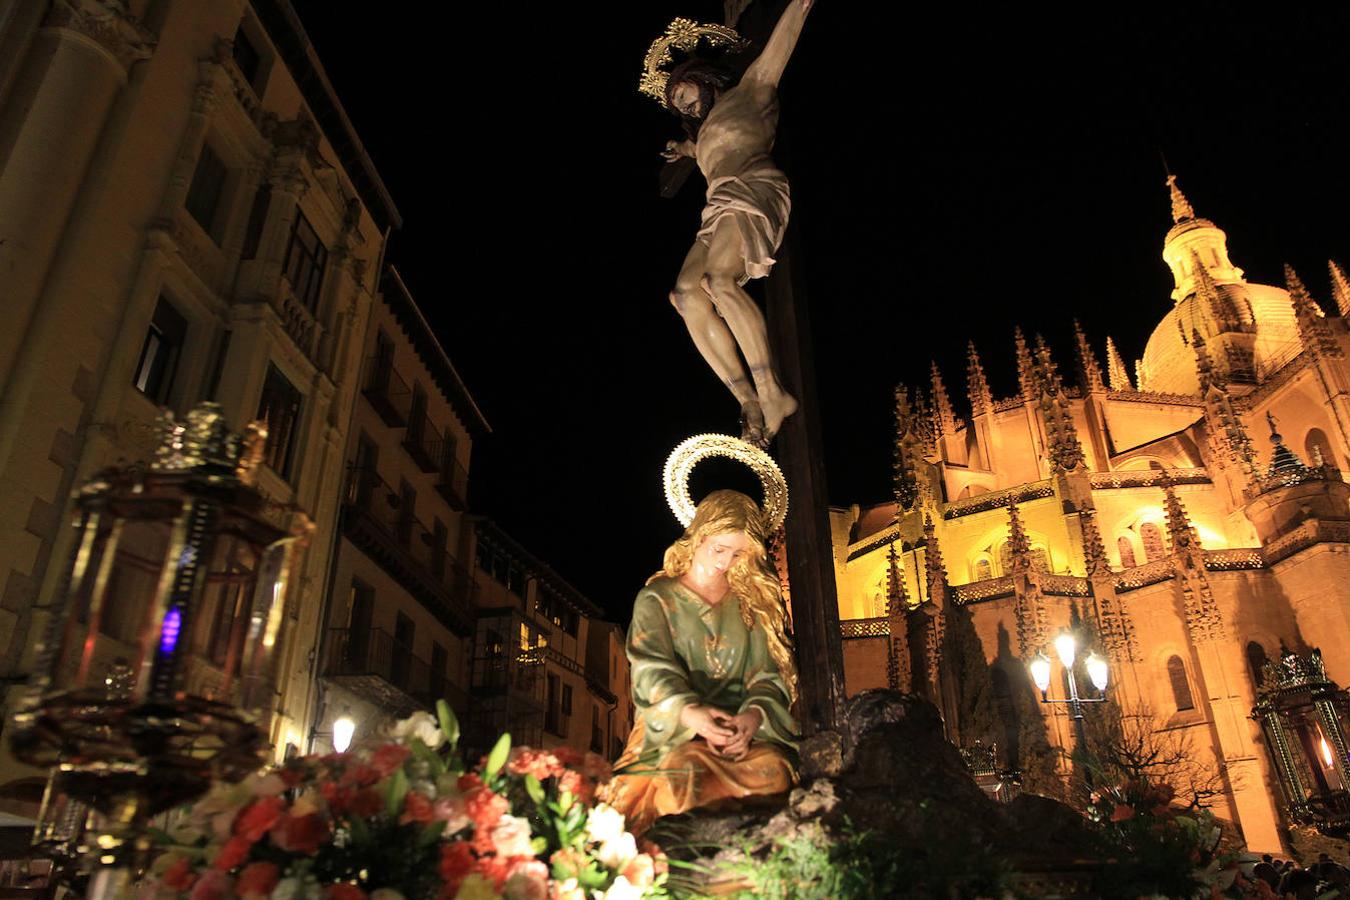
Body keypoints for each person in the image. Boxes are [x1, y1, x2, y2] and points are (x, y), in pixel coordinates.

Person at [657, 0, 813, 446]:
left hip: (753, 187)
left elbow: (786, 35)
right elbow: (705, 150)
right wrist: (684, 150)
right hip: (717, 206)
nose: (682, 105)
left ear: (705, 78)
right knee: (684, 295)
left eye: (684, 92)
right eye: (675, 104)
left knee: (719, 281)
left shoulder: (753, 90)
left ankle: (772, 393)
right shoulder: (702, 133)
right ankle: (747, 399)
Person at [605, 490, 799, 836]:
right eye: (719, 549)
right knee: (683, 780)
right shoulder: (658, 599)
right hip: (677, 737)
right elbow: (651, 669)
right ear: (698, 537)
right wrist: (690, 712)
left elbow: (767, 676)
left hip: (742, 744)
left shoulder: (751, 605)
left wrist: (752, 718)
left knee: (774, 773)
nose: (725, 562)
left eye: (738, 553)